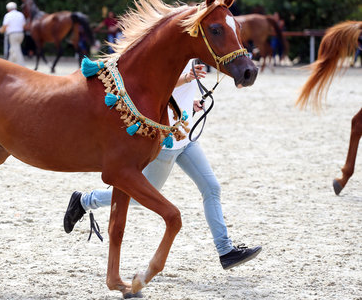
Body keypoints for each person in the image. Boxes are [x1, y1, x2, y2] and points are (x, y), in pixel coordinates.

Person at [64, 61, 262, 270]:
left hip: (185, 138)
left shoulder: (190, 55)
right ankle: (86, 200)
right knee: (144, 195)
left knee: (211, 187)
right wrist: (186, 78)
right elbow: (154, 86)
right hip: (167, 142)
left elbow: (173, 95)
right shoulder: (171, 51)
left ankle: (226, 250)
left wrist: (190, 103)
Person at [0, 1, 26, 66]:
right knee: (13, 49)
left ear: (8, 9)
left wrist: (1, 30)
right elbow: (24, 25)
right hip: (21, 34)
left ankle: (22, 66)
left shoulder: (8, 15)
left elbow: (5, 26)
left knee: (16, 49)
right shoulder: (20, 14)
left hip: (13, 35)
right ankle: (9, 64)